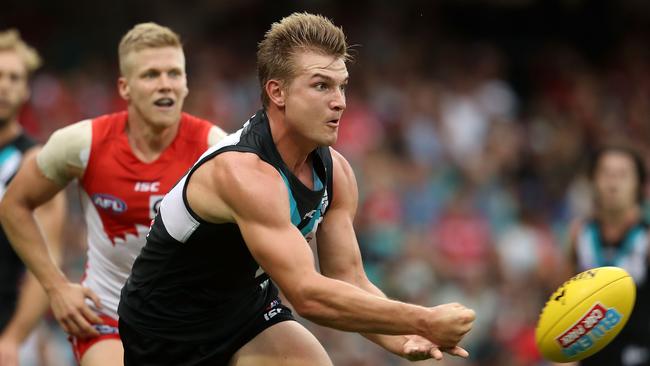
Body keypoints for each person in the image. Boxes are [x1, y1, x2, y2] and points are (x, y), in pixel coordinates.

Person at [118, 12, 475, 366]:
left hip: (244, 313)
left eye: (342, 86)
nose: (340, 101)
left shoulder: (336, 172)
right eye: (321, 86)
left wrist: (402, 337)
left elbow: (347, 278)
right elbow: (307, 295)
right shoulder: (243, 172)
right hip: (164, 335)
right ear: (278, 92)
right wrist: (423, 319)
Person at [0, 23, 226, 366]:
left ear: (185, 84)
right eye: (151, 74)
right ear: (125, 87)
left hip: (192, 320)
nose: (165, 83)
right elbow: (14, 205)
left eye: (174, 73)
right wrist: (57, 287)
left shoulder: (215, 150)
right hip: (108, 318)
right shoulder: (80, 144)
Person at [0, 29, 66, 366]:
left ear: (26, 90)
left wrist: (12, 339)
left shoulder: (37, 167)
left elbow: (47, 263)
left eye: (14, 77)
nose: (5, 85)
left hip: (9, 329)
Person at [568, 145, 650, 366]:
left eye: (623, 174)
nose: (613, 183)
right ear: (592, 181)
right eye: (606, 173)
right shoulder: (580, 234)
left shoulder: (646, 237)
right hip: (592, 356)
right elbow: (564, 301)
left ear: (639, 183)